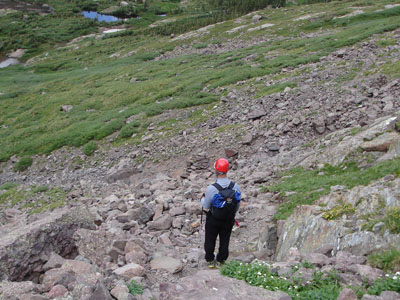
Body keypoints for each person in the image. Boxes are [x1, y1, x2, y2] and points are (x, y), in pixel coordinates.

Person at [201, 158, 241, 269]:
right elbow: (237, 204)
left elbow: (206, 207)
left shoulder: (211, 188)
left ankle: (209, 260)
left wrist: (202, 200)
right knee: (225, 239)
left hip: (213, 219)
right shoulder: (235, 186)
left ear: (216, 171)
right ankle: (221, 261)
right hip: (228, 218)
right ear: (227, 170)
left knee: (210, 239)